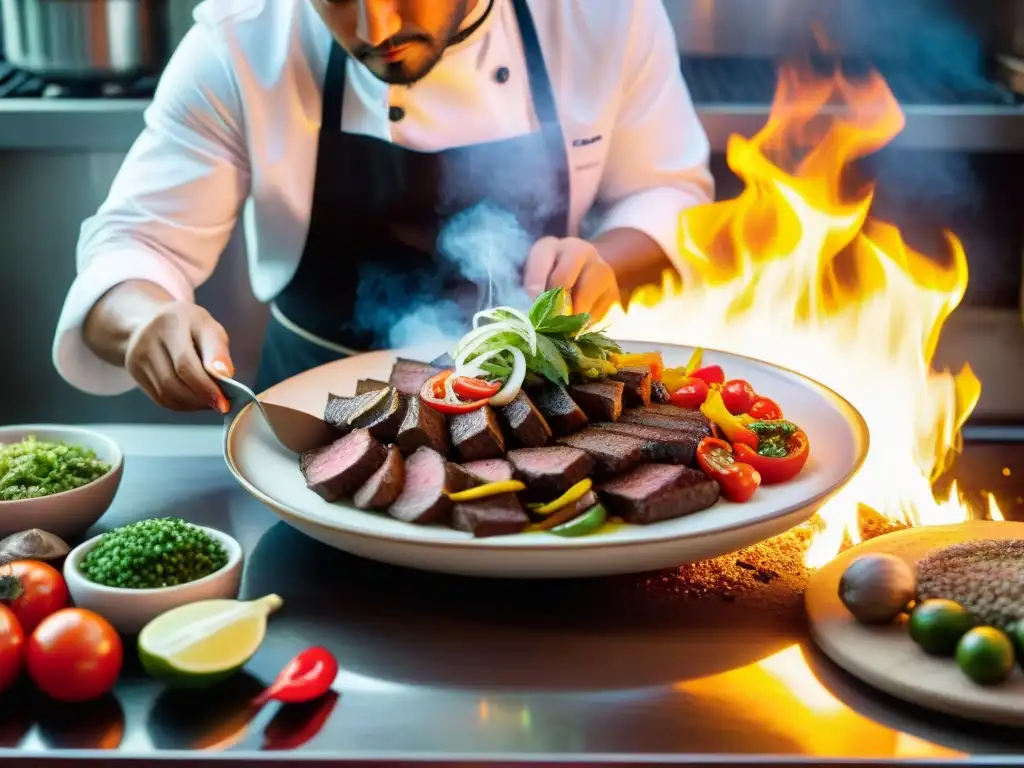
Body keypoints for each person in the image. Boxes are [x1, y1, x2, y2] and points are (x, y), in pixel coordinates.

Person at [52, 0, 713, 415]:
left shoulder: (604, 15)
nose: (377, 28)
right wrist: (143, 323)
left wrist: (607, 264)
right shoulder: (241, 38)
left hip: (535, 414)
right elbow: (134, 245)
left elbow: (668, 191)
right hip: (314, 413)